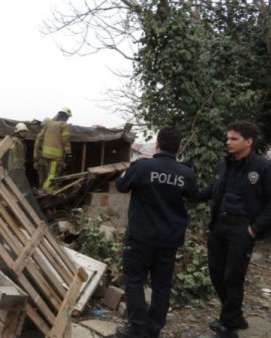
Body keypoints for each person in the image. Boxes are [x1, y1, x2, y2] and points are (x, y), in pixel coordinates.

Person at [115, 127, 198, 338]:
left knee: (134, 282)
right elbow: (193, 196)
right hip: (169, 240)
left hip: (141, 238)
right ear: (179, 147)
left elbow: (121, 185)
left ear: (157, 144)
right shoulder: (186, 172)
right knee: (162, 286)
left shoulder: (143, 167)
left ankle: (137, 328)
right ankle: (153, 330)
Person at [192, 121, 271, 338]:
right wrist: (191, 195)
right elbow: (212, 190)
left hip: (242, 229)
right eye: (228, 138)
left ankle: (229, 327)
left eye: (234, 139)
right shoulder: (224, 164)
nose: (228, 142)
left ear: (249, 141)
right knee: (216, 274)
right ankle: (234, 316)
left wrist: (254, 229)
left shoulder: (262, 168)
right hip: (219, 226)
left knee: (233, 277)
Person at [34, 108, 72, 191]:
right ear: (65, 116)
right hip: (56, 156)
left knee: (48, 174)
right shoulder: (63, 125)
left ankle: (47, 189)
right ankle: (46, 191)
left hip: (45, 155)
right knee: (52, 175)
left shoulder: (48, 123)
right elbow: (66, 140)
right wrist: (69, 154)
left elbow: (40, 138)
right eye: (68, 117)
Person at [33, 117, 51, 188]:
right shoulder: (40, 136)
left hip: (49, 162)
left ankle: (46, 193)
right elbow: (36, 148)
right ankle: (42, 193)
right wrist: (35, 161)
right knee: (42, 180)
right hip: (42, 162)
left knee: (48, 180)